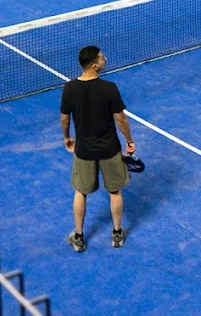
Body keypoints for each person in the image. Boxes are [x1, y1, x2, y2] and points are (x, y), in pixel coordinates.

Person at [60, 46, 137, 253]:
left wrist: (67, 137)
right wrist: (129, 140)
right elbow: (120, 118)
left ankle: (78, 236)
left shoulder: (69, 88)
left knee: (80, 192)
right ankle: (117, 233)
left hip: (84, 150)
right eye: (102, 57)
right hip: (109, 149)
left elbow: (64, 117)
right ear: (94, 65)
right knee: (115, 191)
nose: (105, 58)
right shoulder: (109, 88)